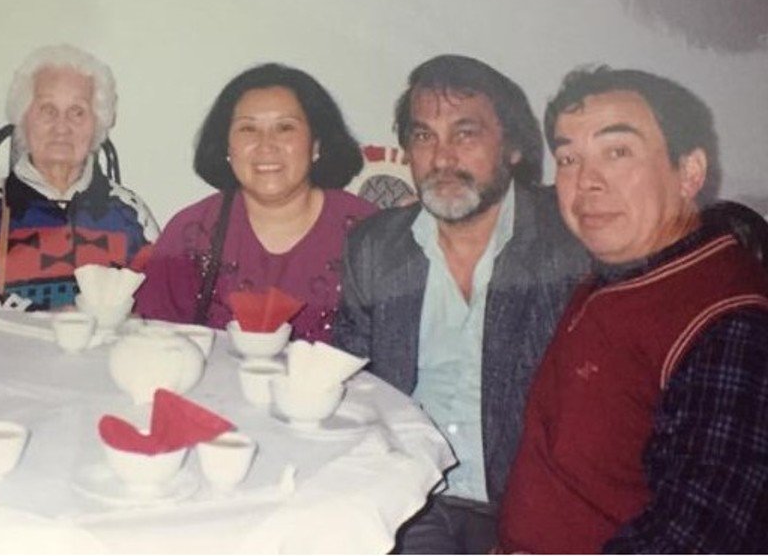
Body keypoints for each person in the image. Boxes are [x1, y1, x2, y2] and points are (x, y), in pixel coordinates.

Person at [498, 66, 768, 553]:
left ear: (689, 172)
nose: (586, 183)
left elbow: (698, 536)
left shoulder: (730, 321)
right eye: (568, 158)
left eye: (617, 152)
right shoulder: (622, 268)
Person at [334, 55, 589, 553]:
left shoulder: (569, 243)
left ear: (513, 147)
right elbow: (354, 388)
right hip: (414, 498)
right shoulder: (373, 248)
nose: (442, 158)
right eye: (424, 136)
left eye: (465, 133)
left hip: (530, 501)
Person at [135, 63, 376, 343]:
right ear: (227, 147)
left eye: (285, 128)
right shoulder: (191, 232)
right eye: (248, 129)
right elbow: (156, 344)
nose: (266, 145)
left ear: (316, 145)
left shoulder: (369, 233)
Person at [0, 45, 158, 311]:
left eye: (78, 111)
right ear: (23, 118)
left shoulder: (130, 213)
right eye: (48, 110)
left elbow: (159, 308)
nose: (62, 126)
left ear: (98, 122)